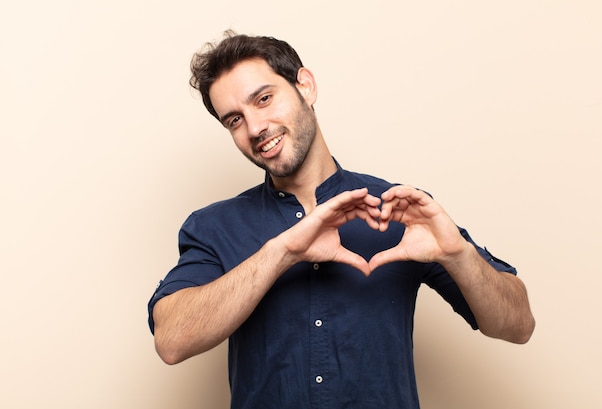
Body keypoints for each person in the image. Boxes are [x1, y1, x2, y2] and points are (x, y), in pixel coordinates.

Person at [147, 31, 535, 409]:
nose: (255, 127)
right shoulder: (215, 226)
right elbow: (171, 340)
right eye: (234, 119)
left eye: (264, 99)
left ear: (306, 87)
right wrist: (283, 251)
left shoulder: (401, 209)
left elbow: (517, 325)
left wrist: (458, 255)